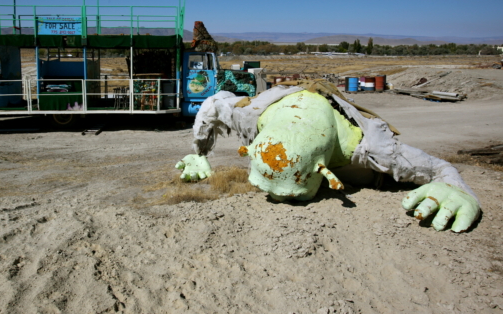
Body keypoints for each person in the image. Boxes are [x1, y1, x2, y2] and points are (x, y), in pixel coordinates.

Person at [176, 80, 481, 233]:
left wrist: (454, 188)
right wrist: (199, 152)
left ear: (324, 172)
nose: (278, 200)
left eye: (290, 194)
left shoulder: (375, 150)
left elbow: (440, 168)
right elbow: (214, 102)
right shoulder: (250, 116)